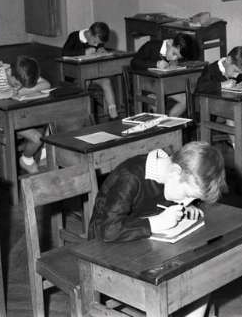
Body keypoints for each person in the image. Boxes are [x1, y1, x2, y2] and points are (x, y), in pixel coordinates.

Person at [88, 141, 227, 317]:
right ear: (175, 172)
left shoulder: (170, 175)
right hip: (106, 254)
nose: (185, 202)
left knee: (203, 273)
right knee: (184, 281)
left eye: (192, 199)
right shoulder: (130, 177)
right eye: (187, 195)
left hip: (144, 247)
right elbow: (107, 230)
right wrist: (155, 223)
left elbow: (163, 199)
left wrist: (184, 208)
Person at [0, 56, 51, 174]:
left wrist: (22, 91)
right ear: (10, 74)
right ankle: (26, 160)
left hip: (16, 116)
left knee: (45, 121)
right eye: (17, 84)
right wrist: (3, 95)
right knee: (37, 138)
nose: (19, 86)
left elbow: (46, 84)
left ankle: (32, 157)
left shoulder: (22, 72)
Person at [130, 33, 200, 116]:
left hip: (166, 86)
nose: (174, 58)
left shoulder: (177, 52)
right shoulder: (151, 46)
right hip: (145, 86)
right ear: (170, 43)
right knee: (157, 101)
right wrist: (156, 64)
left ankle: (170, 121)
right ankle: (162, 122)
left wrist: (176, 66)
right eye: (174, 53)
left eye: (178, 57)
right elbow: (134, 62)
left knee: (185, 99)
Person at [62, 22, 119, 119]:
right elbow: (64, 53)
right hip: (76, 76)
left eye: (98, 43)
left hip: (92, 74)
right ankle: (86, 116)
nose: (96, 45)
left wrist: (102, 51)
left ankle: (114, 115)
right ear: (90, 34)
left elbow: (99, 49)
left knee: (106, 82)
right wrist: (83, 52)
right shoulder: (74, 37)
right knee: (86, 82)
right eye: (95, 42)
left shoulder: (97, 40)